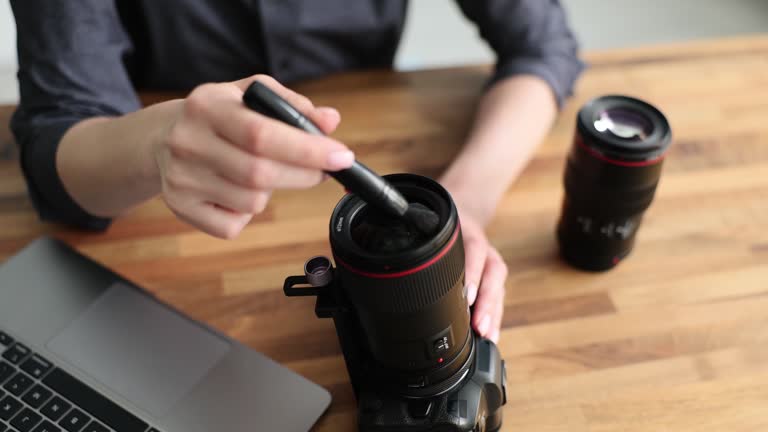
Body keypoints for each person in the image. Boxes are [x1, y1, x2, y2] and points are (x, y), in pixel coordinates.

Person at [10, 1, 583, 344]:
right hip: (155, 228)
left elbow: (543, 47)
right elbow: (58, 148)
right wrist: (153, 144)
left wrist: (465, 205)